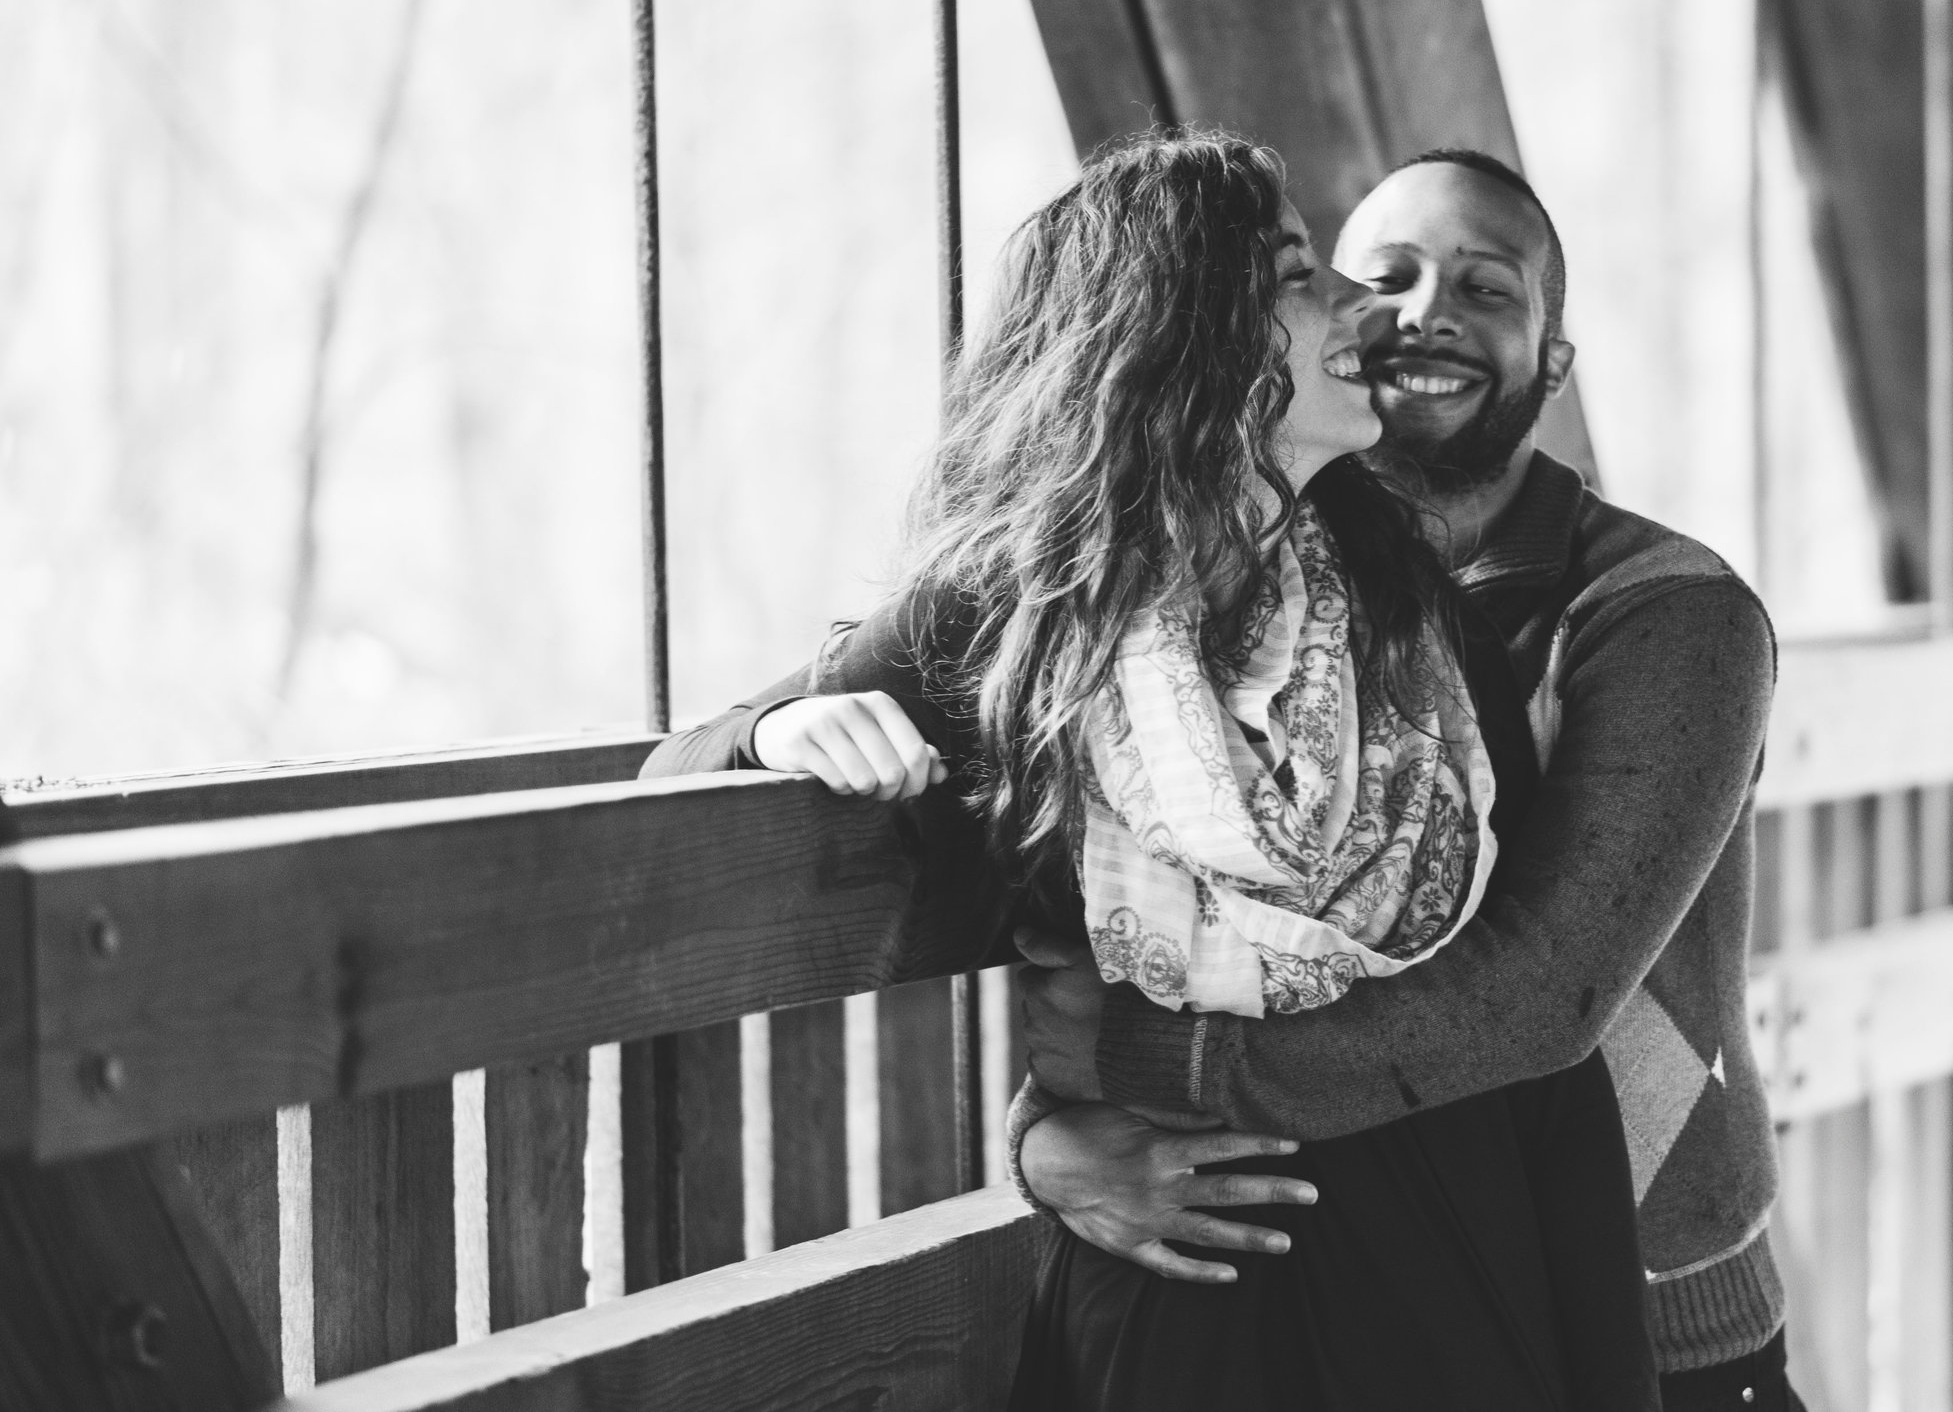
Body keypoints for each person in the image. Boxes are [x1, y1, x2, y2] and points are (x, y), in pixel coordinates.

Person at [639, 131, 1660, 1411]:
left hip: (1455, 1281)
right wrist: (771, 736)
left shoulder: (1410, 618)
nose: (1360, 306)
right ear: (1185, 334)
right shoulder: (1021, 618)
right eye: (1299, 275)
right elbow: (670, 777)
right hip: (1193, 1313)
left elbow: (1546, 1051)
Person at [1009, 150, 1798, 1411]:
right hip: (1364, 1277)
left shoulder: (1672, 616)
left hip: (1648, 1293)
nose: (1426, 312)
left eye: (1487, 290)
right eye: (1382, 276)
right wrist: (1044, 1142)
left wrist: (1145, 1065)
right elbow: (1169, 910)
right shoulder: (1242, 597)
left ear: (1554, 361)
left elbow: (1537, 997)